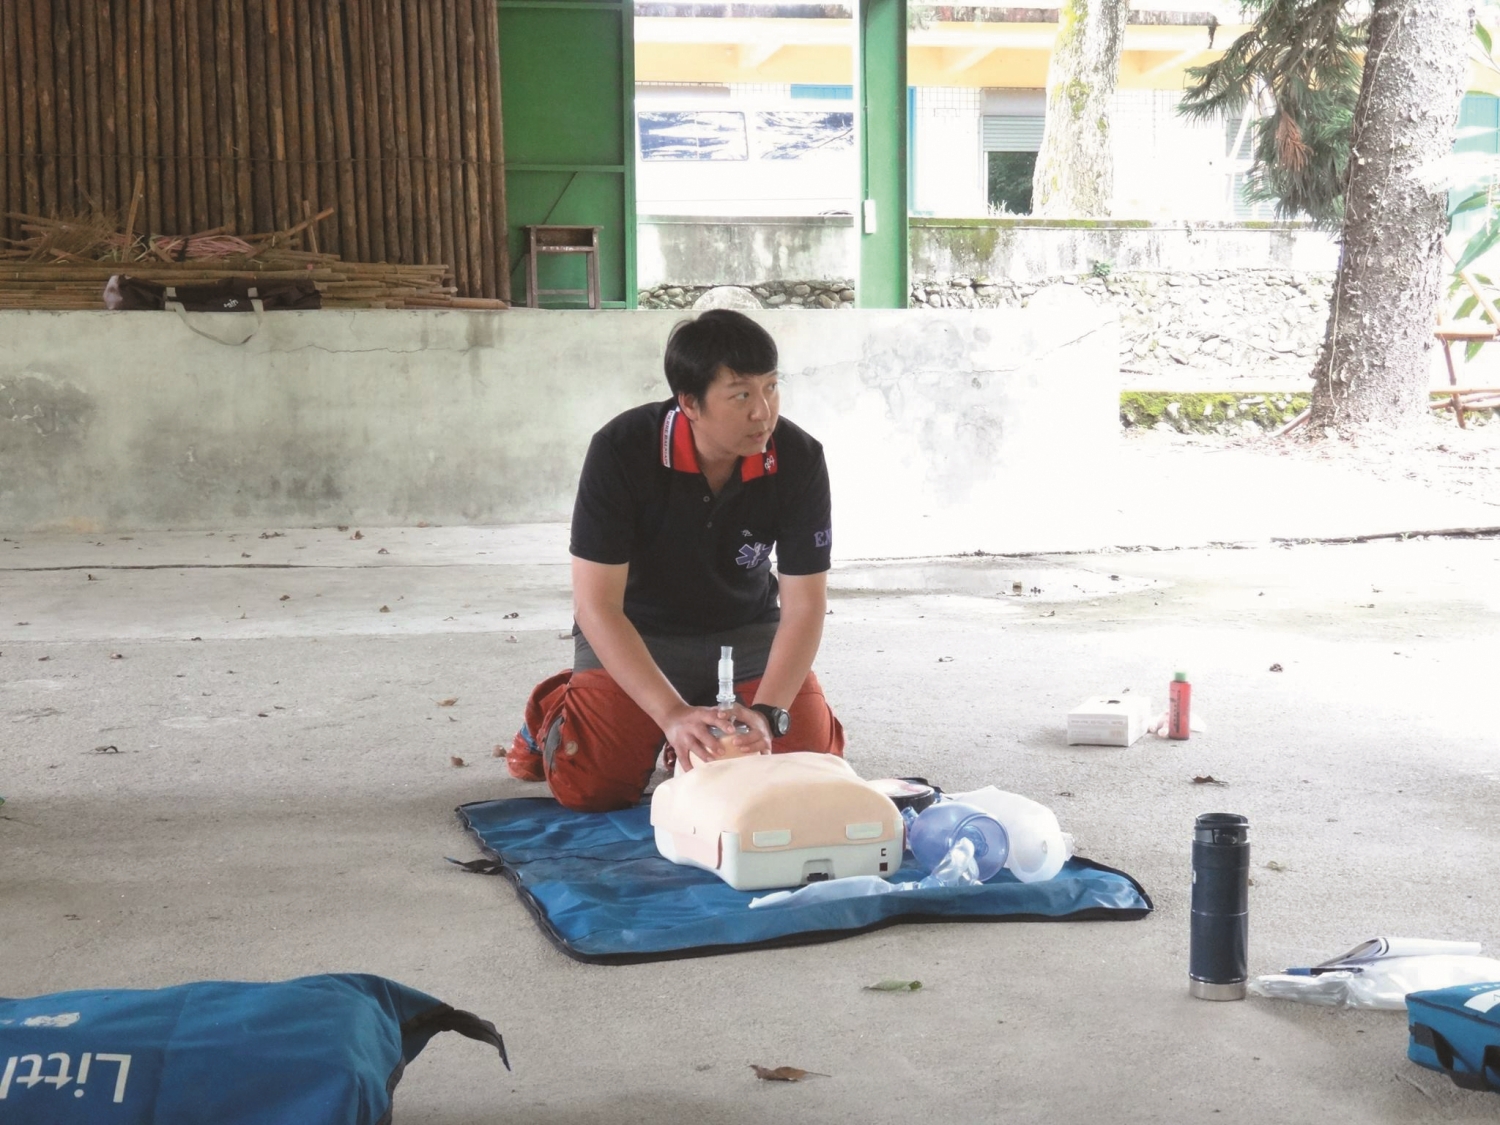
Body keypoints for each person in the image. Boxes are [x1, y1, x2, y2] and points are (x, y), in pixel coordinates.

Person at [506, 309, 845, 812]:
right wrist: (669, 713)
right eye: (741, 395)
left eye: (772, 388)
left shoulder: (797, 457)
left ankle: (689, 730)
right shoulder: (621, 450)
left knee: (805, 770)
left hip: (746, 632)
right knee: (593, 787)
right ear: (689, 402)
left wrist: (769, 711)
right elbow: (596, 606)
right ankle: (556, 708)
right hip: (640, 632)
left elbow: (804, 607)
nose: (763, 412)